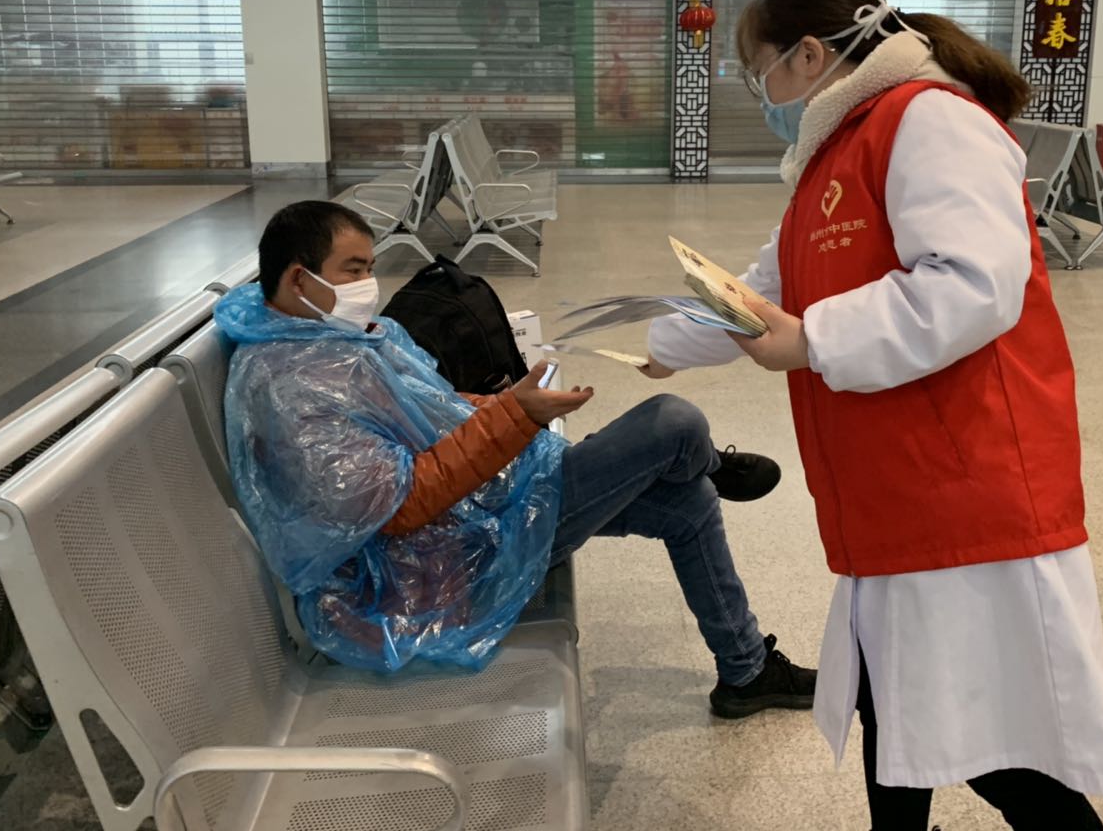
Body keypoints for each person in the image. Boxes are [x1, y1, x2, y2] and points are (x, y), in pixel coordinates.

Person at [641, 0, 1103, 828]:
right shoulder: (835, 146)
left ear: (807, 55)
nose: (761, 95)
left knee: (987, 748)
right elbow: (764, 290)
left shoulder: (930, 120)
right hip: (896, 489)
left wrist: (814, 341)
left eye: (758, 73)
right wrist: (653, 345)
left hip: (965, 493)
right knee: (897, 712)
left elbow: (973, 285)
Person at [214, 200, 815, 719]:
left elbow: (434, 409)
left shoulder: (328, 341)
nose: (367, 284)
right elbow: (401, 508)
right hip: (436, 570)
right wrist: (516, 417)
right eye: (353, 270)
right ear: (299, 279)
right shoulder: (292, 386)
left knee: (688, 503)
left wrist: (511, 405)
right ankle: (705, 462)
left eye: (370, 268)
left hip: (474, 514)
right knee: (673, 423)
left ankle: (745, 671)